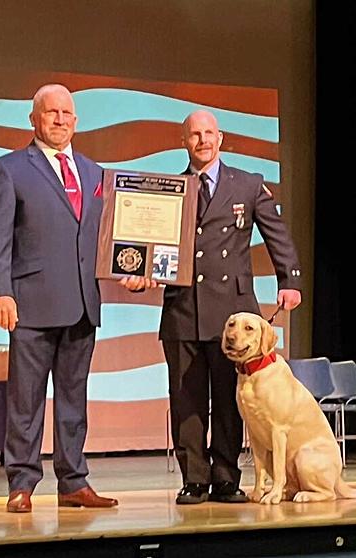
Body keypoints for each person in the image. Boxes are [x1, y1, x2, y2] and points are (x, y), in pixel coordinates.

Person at [125, 110, 303, 504]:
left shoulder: (249, 184)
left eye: (208, 133)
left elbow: (277, 235)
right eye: (194, 134)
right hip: (183, 308)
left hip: (233, 313)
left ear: (220, 138)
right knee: (186, 398)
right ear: (183, 141)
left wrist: (289, 281)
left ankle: (225, 477)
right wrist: (137, 272)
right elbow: (149, 248)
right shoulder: (170, 189)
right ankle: (194, 478)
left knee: (228, 400)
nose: (202, 140)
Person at [0, 84, 118, 513]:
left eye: (66, 113)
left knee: (74, 401)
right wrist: (0, 291)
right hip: (32, 304)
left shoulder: (95, 174)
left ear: (76, 121)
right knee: (27, 401)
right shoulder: (10, 168)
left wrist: (131, 271)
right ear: (34, 119)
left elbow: (108, 237)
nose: (59, 119)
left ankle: (74, 482)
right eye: (50, 112)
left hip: (81, 303)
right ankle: (21, 483)